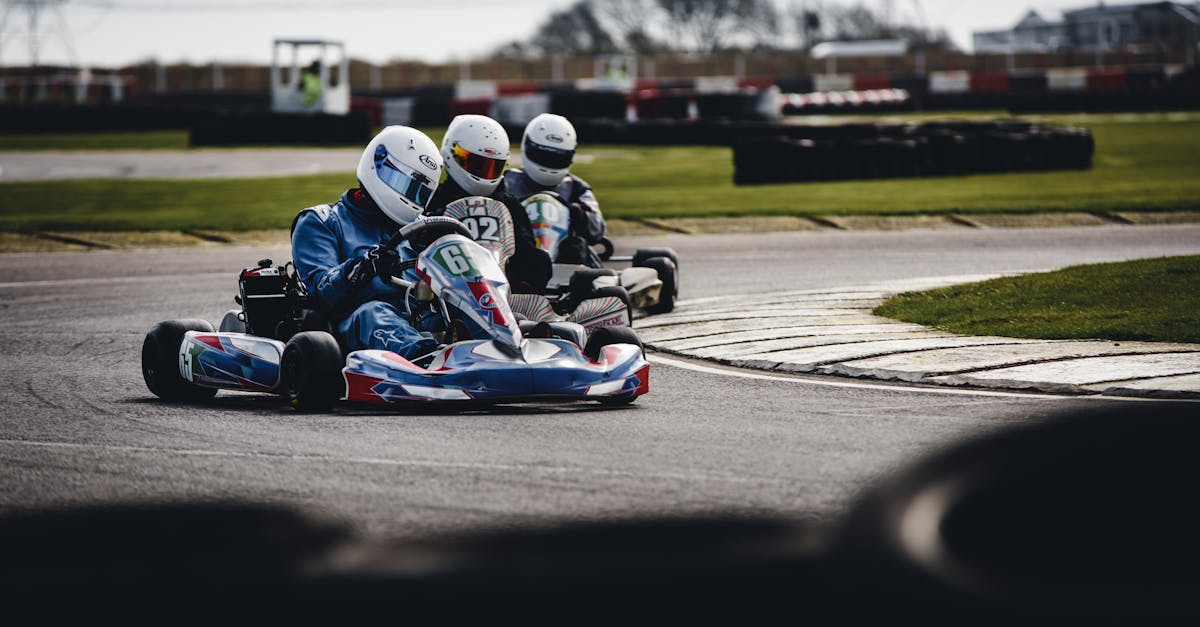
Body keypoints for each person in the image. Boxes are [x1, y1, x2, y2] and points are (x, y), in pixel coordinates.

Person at [291, 126, 444, 359]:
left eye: (419, 192)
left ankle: (501, 346)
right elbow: (322, 291)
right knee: (374, 313)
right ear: (378, 167)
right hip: (355, 323)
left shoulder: (424, 228)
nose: (411, 199)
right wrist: (363, 266)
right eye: (405, 185)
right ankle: (425, 360)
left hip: (419, 316)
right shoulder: (322, 221)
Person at [425, 114, 550, 293]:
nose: (483, 174)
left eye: (492, 167)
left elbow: (527, 256)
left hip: (503, 296)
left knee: (540, 260)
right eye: (476, 165)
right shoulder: (434, 202)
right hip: (444, 292)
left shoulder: (509, 206)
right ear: (453, 153)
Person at [503, 113, 606, 265]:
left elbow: (597, 230)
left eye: (556, 158)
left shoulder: (576, 188)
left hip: (566, 262)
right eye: (543, 155)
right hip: (515, 258)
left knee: (577, 247)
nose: (548, 164)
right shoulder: (506, 182)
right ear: (528, 147)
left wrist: (579, 215)